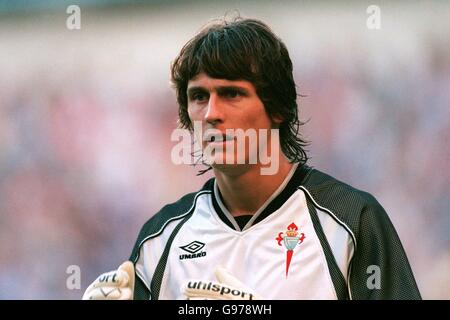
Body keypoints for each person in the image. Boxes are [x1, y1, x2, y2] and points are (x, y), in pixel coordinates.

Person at [82, 16, 421, 300]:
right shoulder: (159, 238)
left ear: (277, 108)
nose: (212, 113)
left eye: (232, 93)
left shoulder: (352, 221)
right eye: (199, 96)